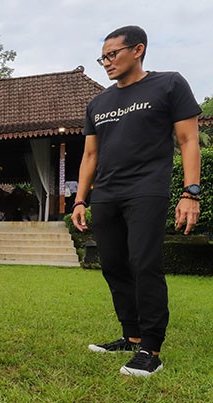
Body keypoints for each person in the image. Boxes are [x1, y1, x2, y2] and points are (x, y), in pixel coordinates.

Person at [71, 25, 201, 377]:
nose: (106, 62)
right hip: (107, 194)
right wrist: (80, 199)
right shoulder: (98, 102)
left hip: (147, 189)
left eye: (112, 54)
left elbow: (189, 140)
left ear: (138, 50)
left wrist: (191, 192)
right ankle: (131, 336)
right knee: (113, 265)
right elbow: (90, 155)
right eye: (103, 57)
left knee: (145, 264)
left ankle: (151, 350)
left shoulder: (169, 84)